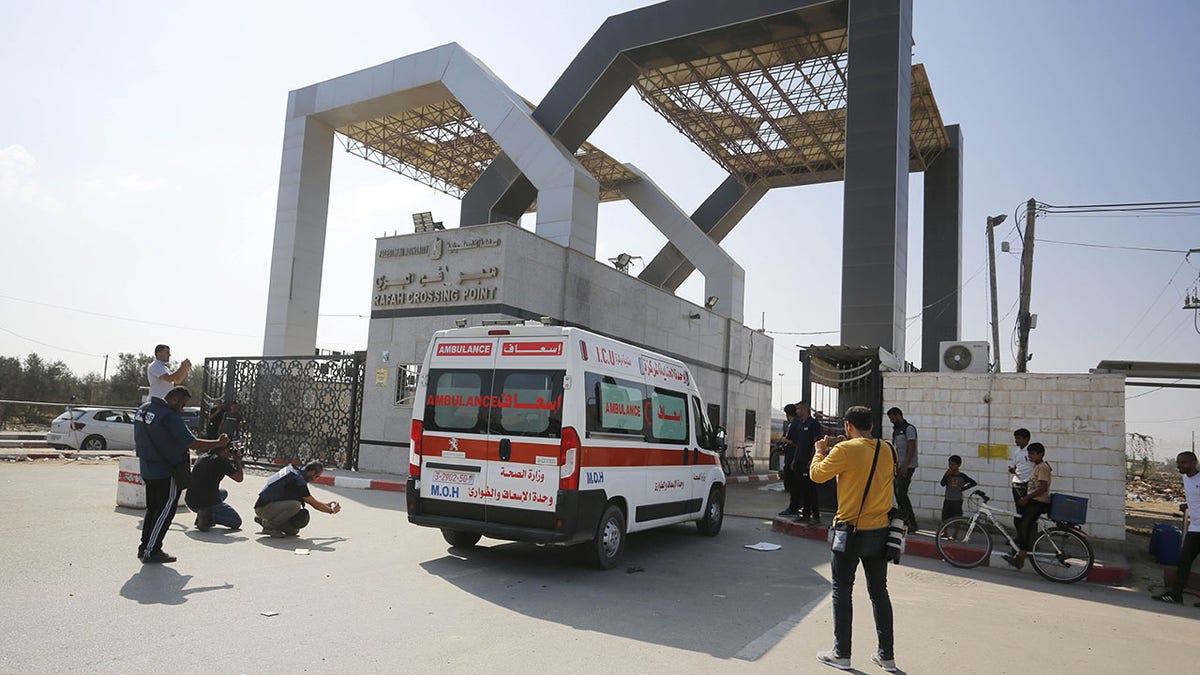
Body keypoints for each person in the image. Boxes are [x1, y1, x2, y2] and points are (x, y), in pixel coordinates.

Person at [810, 406, 898, 672]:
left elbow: (816, 475)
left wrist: (820, 450)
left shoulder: (844, 450)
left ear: (848, 426)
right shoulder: (888, 449)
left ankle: (842, 654)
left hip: (849, 531)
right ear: (871, 425)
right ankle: (887, 656)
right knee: (879, 592)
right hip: (880, 531)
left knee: (842, 590)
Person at [134, 386, 229, 563]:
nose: (183, 408)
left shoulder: (143, 409)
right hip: (167, 471)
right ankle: (151, 550)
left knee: (153, 509)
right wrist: (218, 442)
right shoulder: (169, 417)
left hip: (147, 468)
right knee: (164, 512)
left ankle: (145, 547)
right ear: (175, 400)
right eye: (183, 404)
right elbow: (194, 444)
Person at [1154, 451, 1200, 605]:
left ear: (1194, 463)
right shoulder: (1186, 478)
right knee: (1184, 561)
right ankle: (1176, 594)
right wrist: (1188, 505)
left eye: (1183, 463)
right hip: (1195, 527)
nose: (1179, 466)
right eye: (1178, 463)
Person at [254, 461, 341, 537]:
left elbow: (311, 499)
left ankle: (263, 521)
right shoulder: (297, 480)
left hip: (270, 506)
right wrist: (331, 510)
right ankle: (269, 526)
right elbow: (314, 504)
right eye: (317, 476)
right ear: (312, 472)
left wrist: (327, 505)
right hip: (263, 508)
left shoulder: (295, 473)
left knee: (293, 530)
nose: (315, 479)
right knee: (295, 506)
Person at [1004, 442, 1051, 570]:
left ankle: (1021, 556)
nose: (1029, 456)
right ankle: (1021, 547)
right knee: (1018, 520)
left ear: (1040, 454)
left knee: (1024, 524)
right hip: (1033, 501)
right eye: (1029, 453)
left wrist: (1027, 498)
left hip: (1038, 502)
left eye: (1032, 454)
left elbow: (1043, 487)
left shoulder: (1042, 467)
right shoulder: (1037, 466)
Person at [186, 443, 245, 531]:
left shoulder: (203, 456)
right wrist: (238, 461)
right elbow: (239, 478)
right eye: (230, 450)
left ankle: (203, 514)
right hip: (207, 501)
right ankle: (208, 516)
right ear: (225, 450)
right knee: (236, 521)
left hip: (191, 501)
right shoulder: (221, 461)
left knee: (223, 492)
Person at [886, 407, 919, 531]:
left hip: (907, 466)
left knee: (902, 494)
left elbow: (911, 448)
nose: (891, 421)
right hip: (898, 467)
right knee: (898, 494)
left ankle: (911, 522)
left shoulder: (908, 428)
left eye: (893, 418)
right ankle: (903, 521)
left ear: (899, 415)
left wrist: (905, 466)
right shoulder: (897, 430)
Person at [792, 401, 824, 523]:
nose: (797, 411)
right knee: (802, 488)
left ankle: (815, 514)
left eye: (798, 408)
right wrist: (795, 459)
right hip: (799, 460)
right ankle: (805, 514)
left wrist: (812, 460)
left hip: (808, 462)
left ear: (805, 409)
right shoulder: (800, 424)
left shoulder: (813, 424)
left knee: (811, 489)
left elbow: (816, 443)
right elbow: (798, 444)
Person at [777, 404, 802, 518]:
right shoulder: (795, 424)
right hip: (791, 457)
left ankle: (794, 508)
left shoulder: (795, 425)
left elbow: (796, 442)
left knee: (793, 485)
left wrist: (785, 440)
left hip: (792, 458)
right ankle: (796, 506)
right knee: (795, 485)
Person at [940, 454, 978, 523]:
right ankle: (944, 531)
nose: (951, 466)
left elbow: (973, 483)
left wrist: (963, 488)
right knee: (945, 517)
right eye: (950, 464)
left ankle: (955, 533)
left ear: (959, 465)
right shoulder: (948, 475)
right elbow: (942, 484)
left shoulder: (962, 476)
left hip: (957, 499)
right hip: (948, 498)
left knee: (957, 517)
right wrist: (946, 475)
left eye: (953, 465)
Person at [1008, 428, 1034, 529]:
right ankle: (1020, 537)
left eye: (1019, 438)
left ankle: (1028, 539)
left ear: (1026, 439)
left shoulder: (1031, 452)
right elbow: (1016, 466)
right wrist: (1013, 470)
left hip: (1027, 484)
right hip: (1017, 483)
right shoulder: (1017, 451)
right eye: (1015, 438)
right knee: (1019, 512)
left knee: (1027, 513)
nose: (1016, 441)